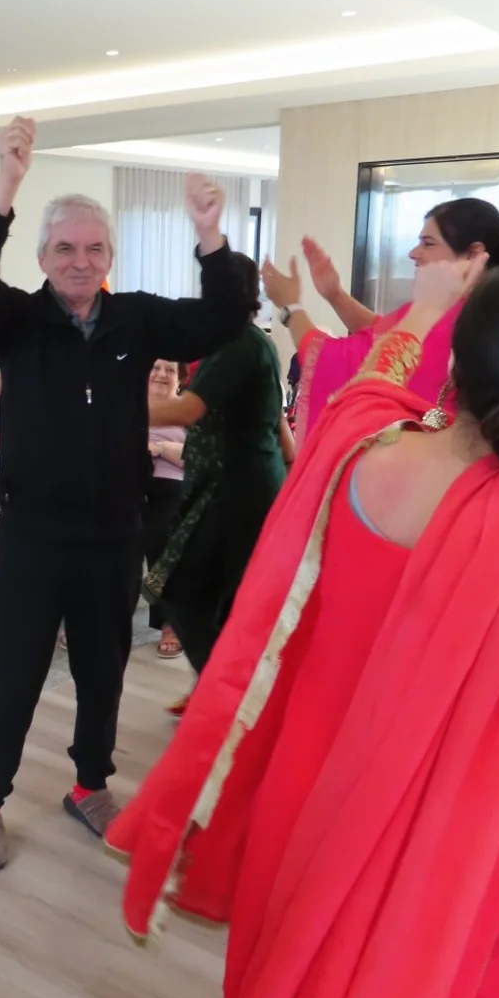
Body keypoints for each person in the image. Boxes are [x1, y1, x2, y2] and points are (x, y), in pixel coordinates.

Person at [107, 254, 499, 998]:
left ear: (456, 372)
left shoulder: (358, 450)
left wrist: (416, 313)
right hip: (458, 840)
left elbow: (373, 382)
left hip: (306, 821)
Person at [0, 115, 251, 872]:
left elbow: (223, 317)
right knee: (13, 673)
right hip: (31, 534)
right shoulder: (18, 321)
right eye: (65, 249)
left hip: (113, 534)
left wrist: (210, 235)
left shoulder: (135, 318)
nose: (80, 261)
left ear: (109, 256)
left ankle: (90, 785)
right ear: (44, 256)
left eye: (93, 249)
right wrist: (8, 183)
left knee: (101, 669)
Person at [263, 197, 499, 449]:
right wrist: (335, 295)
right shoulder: (482, 305)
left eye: (428, 243)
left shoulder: (451, 318)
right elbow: (389, 334)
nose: (414, 253)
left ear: (473, 252)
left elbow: (331, 359)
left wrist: (291, 306)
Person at [144, 257, 292, 685]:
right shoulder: (249, 344)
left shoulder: (238, 346)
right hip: (242, 488)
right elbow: (280, 429)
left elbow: (188, 409)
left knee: (188, 595)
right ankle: (222, 691)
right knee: (217, 600)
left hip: (235, 494)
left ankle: (222, 691)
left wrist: (117, 408)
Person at [143, 359, 186, 660]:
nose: (161, 374)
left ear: (180, 380)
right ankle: (96, 618)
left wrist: (159, 449)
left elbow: (198, 456)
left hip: (169, 485)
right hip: (125, 482)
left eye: (169, 370)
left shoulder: (187, 411)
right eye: (156, 368)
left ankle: (172, 622)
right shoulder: (127, 404)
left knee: (164, 536)